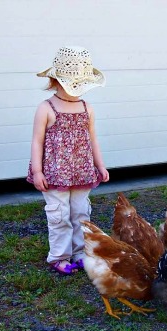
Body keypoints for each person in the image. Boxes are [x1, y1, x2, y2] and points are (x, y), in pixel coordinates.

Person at [27, 46, 110, 275]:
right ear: (55, 81)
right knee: (59, 215)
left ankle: (81, 253)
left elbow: (93, 140)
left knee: (81, 213)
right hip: (55, 173)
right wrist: (37, 171)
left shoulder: (87, 108)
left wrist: (100, 165)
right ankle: (59, 256)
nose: (76, 91)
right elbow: (37, 141)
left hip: (82, 172)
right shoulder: (46, 108)